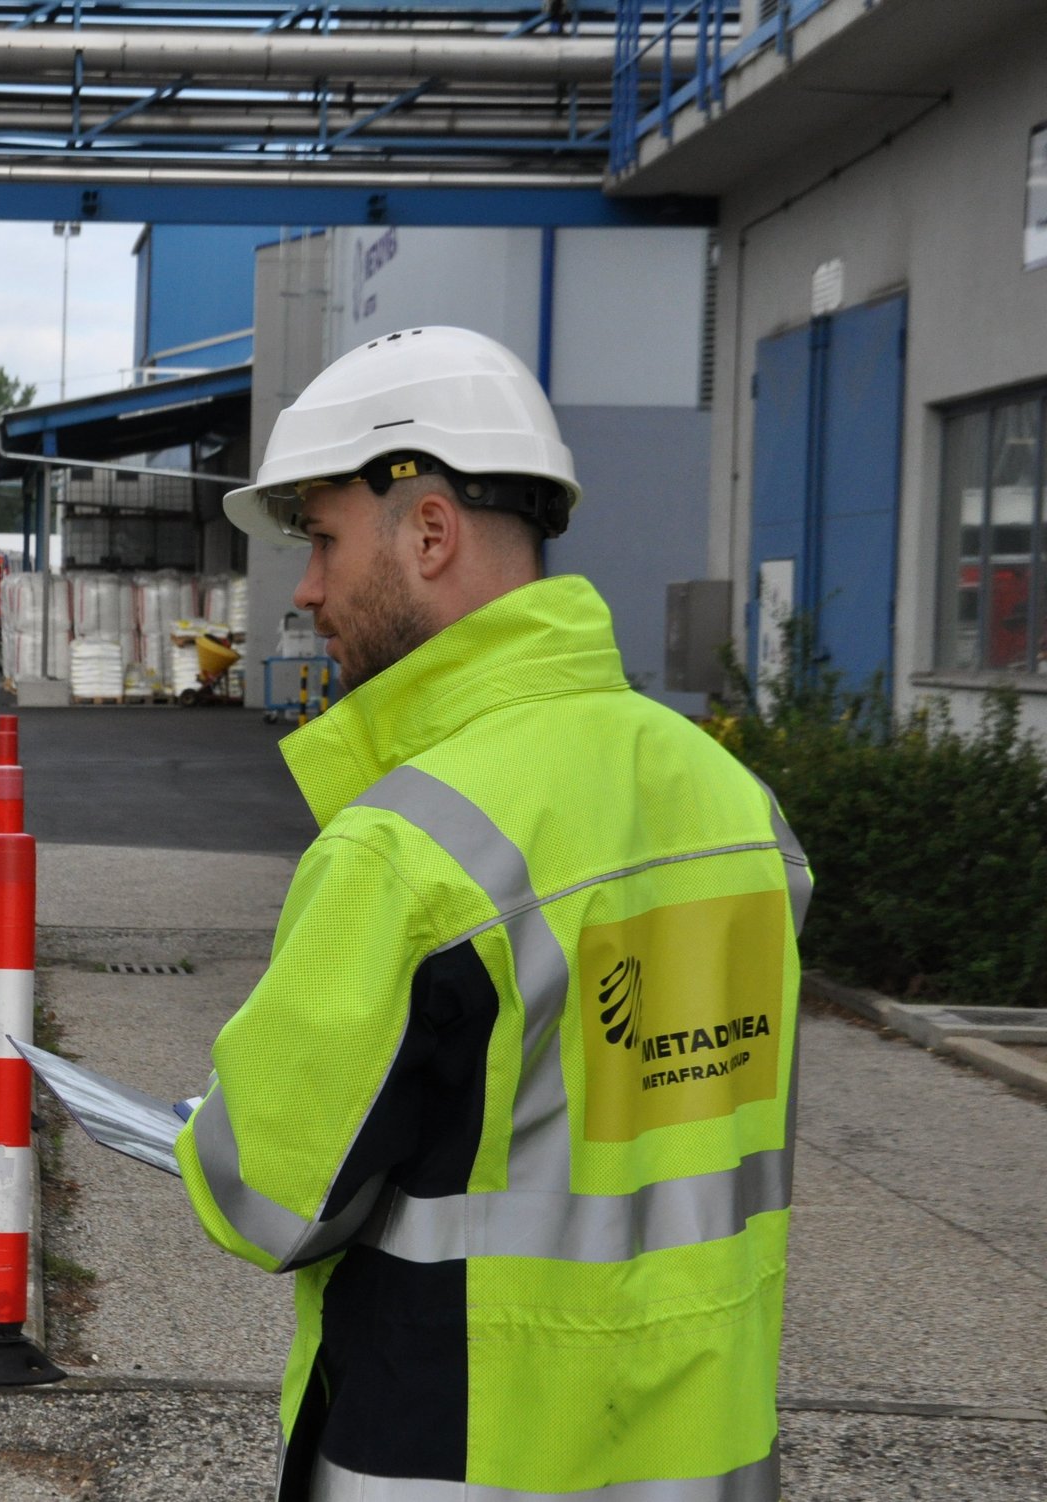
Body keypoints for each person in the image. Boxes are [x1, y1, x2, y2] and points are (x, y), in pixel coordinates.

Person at [178, 326, 812, 1501]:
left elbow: (260, 1196)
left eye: (319, 540)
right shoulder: (739, 810)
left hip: (451, 1463)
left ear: (426, 528)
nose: (305, 589)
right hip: (705, 1466)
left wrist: (210, 1116)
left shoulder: (406, 846)